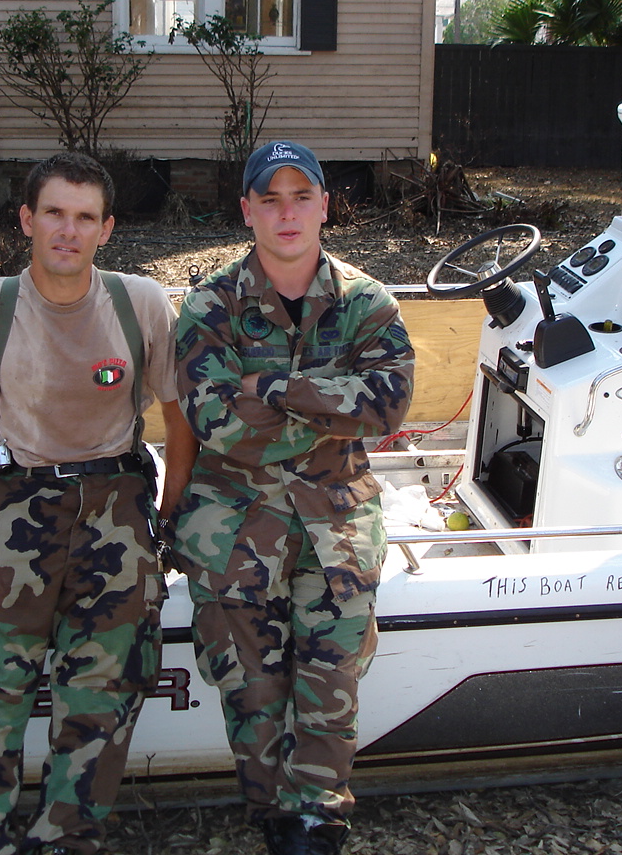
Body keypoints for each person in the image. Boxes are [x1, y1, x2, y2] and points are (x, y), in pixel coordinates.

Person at [0, 151, 197, 855]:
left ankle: (67, 834)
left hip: (116, 501)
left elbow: (179, 416)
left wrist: (170, 517)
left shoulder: (141, 302)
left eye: (83, 218)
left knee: (104, 687)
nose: (67, 232)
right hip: (20, 503)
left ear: (106, 229)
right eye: (53, 214)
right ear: (26, 220)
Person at [170, 141, 415, 855]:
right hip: (236, 520)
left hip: (337, 516)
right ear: (246, 210)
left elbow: (390, 405)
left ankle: (320, 817)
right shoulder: (210, 303)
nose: (286, 213)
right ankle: (275, 816)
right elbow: (214, 421)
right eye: (269, 199)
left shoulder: (367, 301)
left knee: (331, 670)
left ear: (324, 207)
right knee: (250, 679)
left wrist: (271, 390)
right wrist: (330, 412)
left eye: (300, 196)